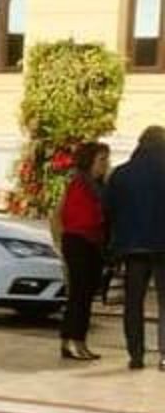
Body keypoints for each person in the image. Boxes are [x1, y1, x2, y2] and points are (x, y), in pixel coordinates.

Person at [106, 124, 165, 369]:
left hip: (131, 248)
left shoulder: (121, 174)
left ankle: (136, 354)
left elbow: (108, 211)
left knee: (133, 302)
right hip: (163, 248)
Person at [53, 141, 110, 361]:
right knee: (80, 295)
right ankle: (75, 342)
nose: (105, 164)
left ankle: (73, 341)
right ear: (90, 161)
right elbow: (74, 216)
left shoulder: (98, 185)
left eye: (106, 159)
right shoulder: (80, 184)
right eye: (101, 160)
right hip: (79, 242)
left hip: (91, 243)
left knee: (83, 296)